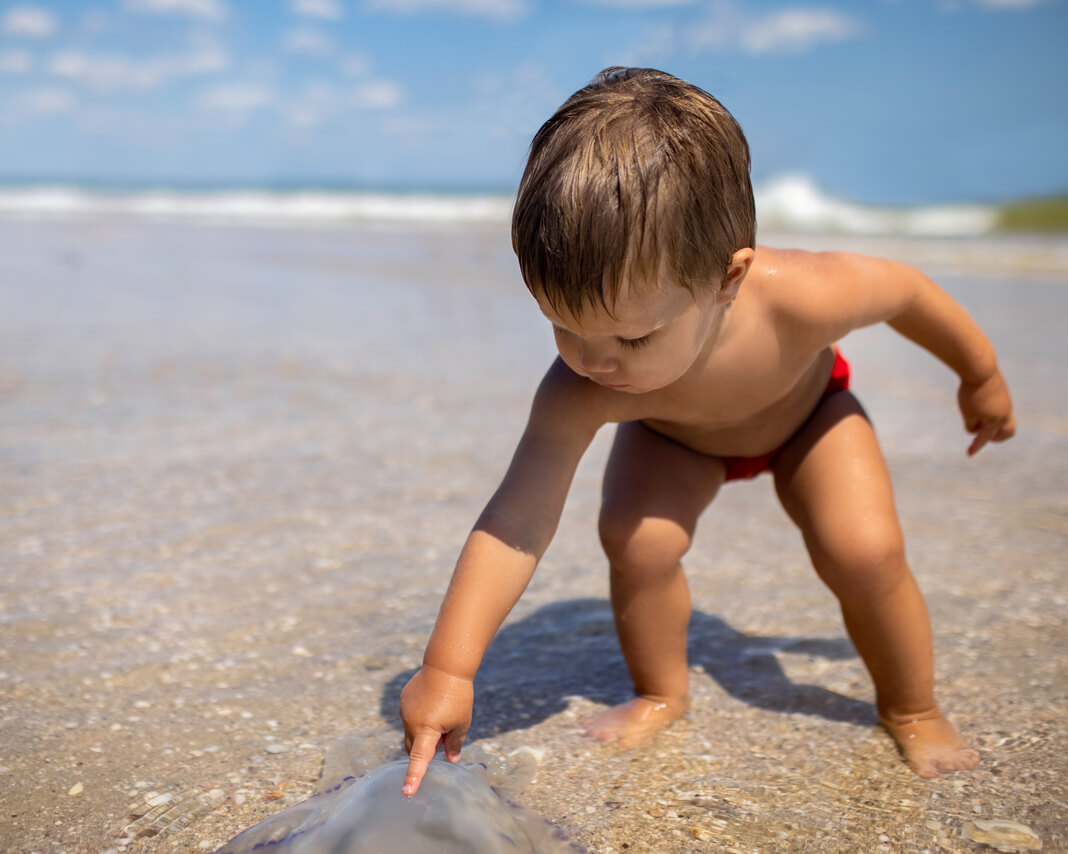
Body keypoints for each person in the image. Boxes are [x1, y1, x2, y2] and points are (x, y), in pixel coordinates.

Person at [398, 67, 1014, 796]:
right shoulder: (584, 389)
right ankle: (661, 691)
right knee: (637, 541)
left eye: (631, 339)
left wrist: (978, 375)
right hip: (674, 438)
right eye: (562, 324)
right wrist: (447, 667)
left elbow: (907, 292)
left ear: (728, 280)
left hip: (808, 417)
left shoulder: (803, 298)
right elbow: (515, 521)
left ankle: (913, 708)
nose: (593, 362)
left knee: (865, 552)